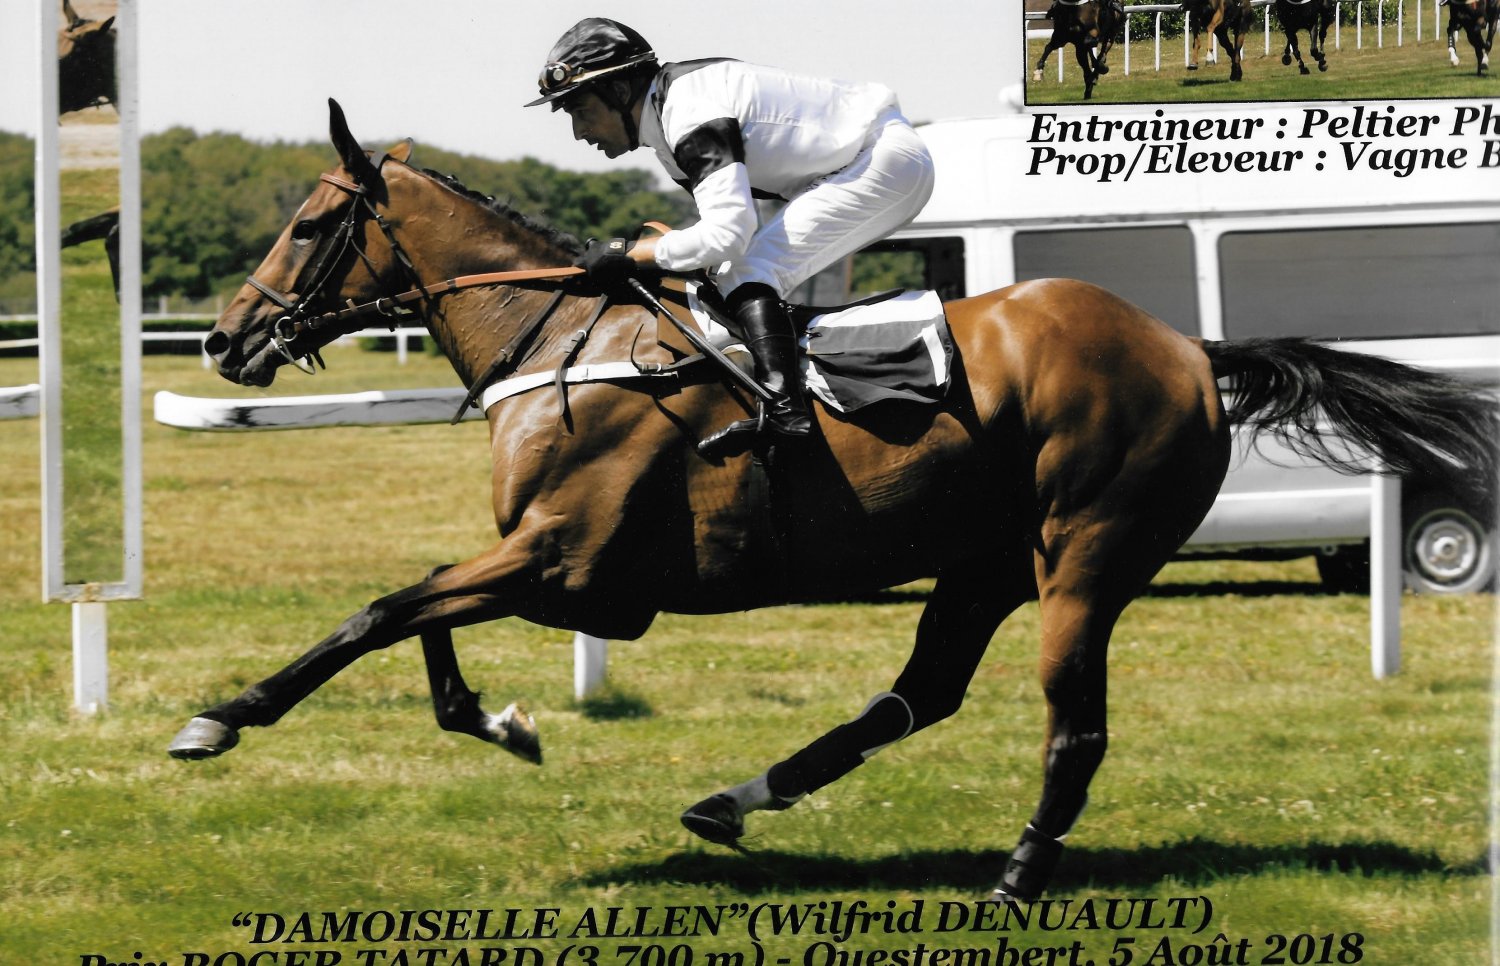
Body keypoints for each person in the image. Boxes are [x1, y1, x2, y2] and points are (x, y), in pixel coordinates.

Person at [525, 17, 936, 458]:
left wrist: (631, 254)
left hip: (880, 161)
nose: (579, 132)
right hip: (864, 161)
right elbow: (719, 242)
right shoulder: (669, 124)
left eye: (580, 111)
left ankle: (787, 415)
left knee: (750, 269)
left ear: (620, 91)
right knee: (731, 274)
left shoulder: (688, 111)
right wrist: (640, 256)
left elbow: (727, 235)